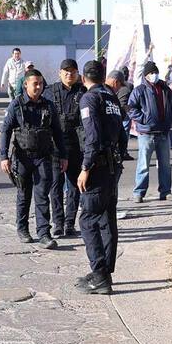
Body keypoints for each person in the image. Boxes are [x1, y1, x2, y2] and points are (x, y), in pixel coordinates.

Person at [0, 69, 66, 250]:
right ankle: (22, 229)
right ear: (26, 84)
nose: (38, 87)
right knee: (24, 195)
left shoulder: (48, 105)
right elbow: (6, 130)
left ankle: (44, 233)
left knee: (42, 195)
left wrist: (63, 155)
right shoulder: (16, 105)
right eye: (35, 83)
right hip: (22, 158)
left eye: (41, 84)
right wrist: (4, 156)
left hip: (43, 157)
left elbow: (58, 133)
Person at [75, 60, 124, 295]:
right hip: (112, 167)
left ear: (84, 79)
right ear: (103, 76)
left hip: (97, 168)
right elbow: (123, 136)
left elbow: (92, 137)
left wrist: (85, 167)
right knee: (107, 220)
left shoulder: (89, 99)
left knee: (88, 221)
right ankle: (105, 272)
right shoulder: (112, 98)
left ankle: (99, 274)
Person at [44, 59, 86, 238]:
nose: (70, 74)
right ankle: (58, 223)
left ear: (77, 74)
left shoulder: (83, 92)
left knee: (74, 186)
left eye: (73, 71)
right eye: (66, 71)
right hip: (54, 146)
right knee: (56, 186)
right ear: (60, 73)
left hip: (75, 145)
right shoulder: (50, 92)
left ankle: (70, 223)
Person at [127, 61, 172, 202]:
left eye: (155, 72)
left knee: (165, 165)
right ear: (145, 75)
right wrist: (144, 119)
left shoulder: (165, 89)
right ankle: (139, 192)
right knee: (143, 165)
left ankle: (165, 191)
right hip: (146, 134)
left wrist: (170, 119)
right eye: (151, 73)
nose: (154, 75)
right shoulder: (139, 90)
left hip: (163, 132)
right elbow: (131, 108)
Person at [105, 70, 132, 159]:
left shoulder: (101, 91)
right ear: (116, 82)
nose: (120, 88)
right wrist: (124, 110)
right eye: (120, 85)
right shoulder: (106, 93)